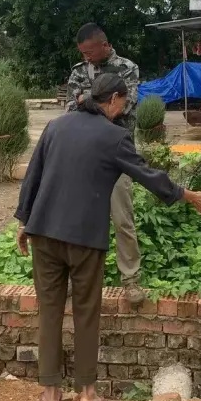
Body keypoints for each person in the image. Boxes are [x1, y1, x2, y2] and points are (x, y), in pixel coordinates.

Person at [16, 72, 201, 401]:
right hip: (83, 239)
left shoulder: (55, 127)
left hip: (44, 234)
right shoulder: (114, 137)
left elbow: (33, 176)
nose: (124, 108)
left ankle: (51, 395)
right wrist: (188, 195)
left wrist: (23, 221)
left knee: (49, 312)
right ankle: (86, 392)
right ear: (113, 99)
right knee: (86, 312)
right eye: (124, 101)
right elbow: (148, 175)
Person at [64, 23, 146, 306]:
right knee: (80, 219)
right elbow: (70, 109)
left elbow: (125, 107)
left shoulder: (127, 68)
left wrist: (85, 100)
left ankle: (130, 279)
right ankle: (77, 277)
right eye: (82, 53)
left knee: (123, 220)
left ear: (104, 44)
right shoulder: (78, 71)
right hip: (85, 156)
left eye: (89, 51)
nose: (85, 57)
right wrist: (97, 102)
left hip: (117, 156)